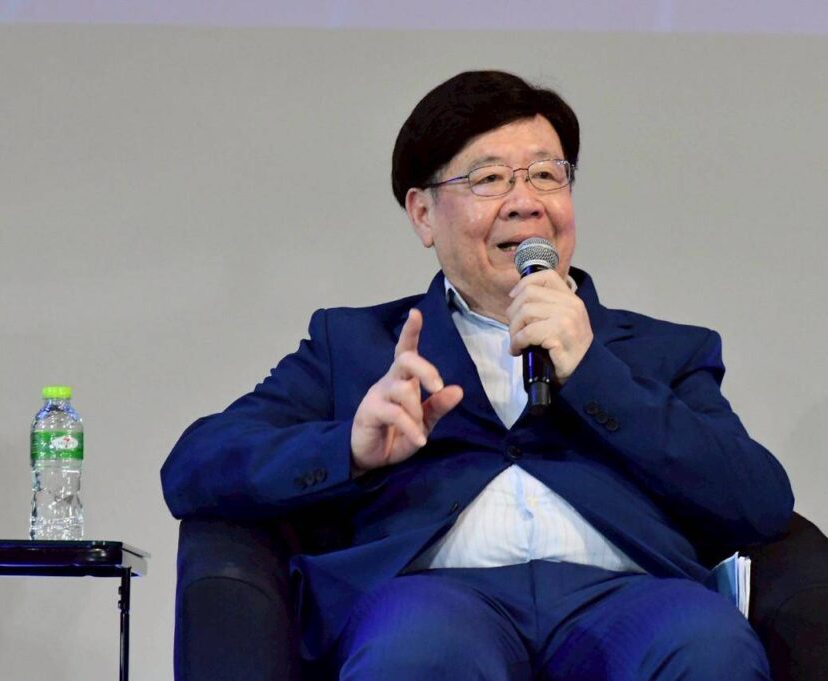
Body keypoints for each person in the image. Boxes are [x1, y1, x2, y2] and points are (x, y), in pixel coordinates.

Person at [162, 70, 795, 680]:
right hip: (437, 598)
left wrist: (594, 373)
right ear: (423, 215)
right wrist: (348, 449)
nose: (525, 203)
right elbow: (194, 466)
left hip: (631, 600)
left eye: (546, 175)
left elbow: (760, 503)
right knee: (419, 651)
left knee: (707, 644)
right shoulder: (355, 346)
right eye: (489, 179)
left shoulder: (661, 350)